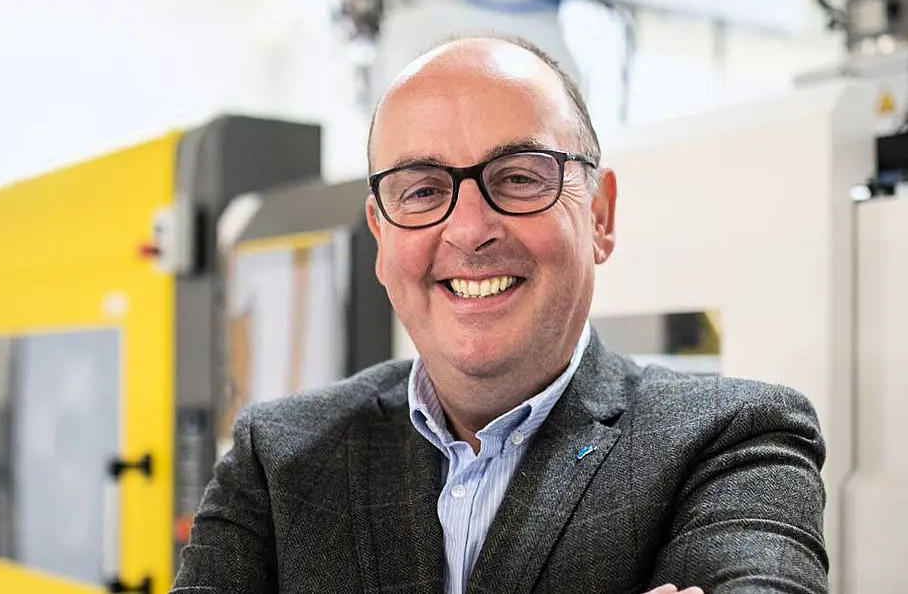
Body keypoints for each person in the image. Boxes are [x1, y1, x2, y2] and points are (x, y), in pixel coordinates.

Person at [170, 34, 828, 594]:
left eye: (518, 176)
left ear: (599, 215)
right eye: (423, 190)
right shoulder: (277, 457)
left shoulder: (736, 442)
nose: (470, 229)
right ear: (381, 235)